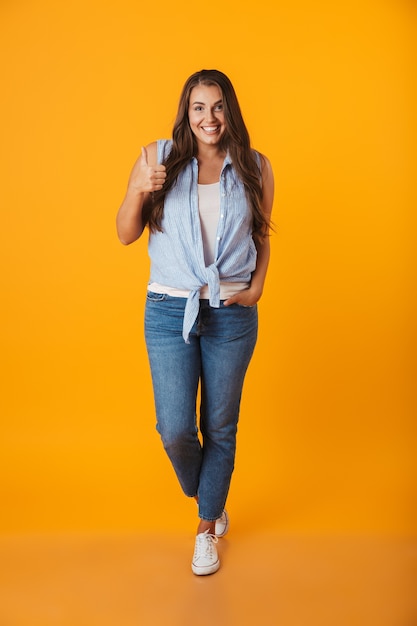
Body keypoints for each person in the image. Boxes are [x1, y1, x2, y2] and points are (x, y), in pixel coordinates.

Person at [116, 69, 274, 575]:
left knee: (220, 426)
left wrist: (258, 287)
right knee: (175, 429)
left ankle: (207, 526)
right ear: (187, 112)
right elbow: (125, 233)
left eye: (219, 106)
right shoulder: (158, 157)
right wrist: (137, 189)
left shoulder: (255, 166)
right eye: (199, 107)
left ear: (231, 110)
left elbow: (263, 238)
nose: (210, 118)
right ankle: (210, 493)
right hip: (168, 308)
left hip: (231, 312)